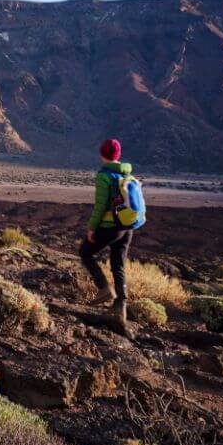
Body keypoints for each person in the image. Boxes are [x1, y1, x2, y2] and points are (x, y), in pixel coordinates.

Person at [80, 138, 140, 325]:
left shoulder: (104, 176)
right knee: (118, 264)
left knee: (84, 253)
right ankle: (120, 305)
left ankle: (104, 288)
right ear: (118, 155)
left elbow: (100, 206)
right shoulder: (127, 175)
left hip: (110, 227)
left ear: (102, 154)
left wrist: (91, 228)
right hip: (127, 227)